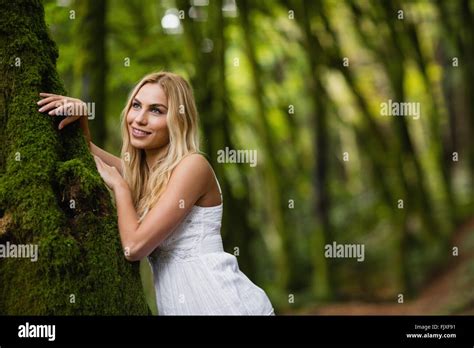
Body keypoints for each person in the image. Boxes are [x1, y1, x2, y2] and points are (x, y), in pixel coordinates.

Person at [37, 71, 274, 315]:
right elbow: (86, 153)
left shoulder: (192, 166)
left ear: (178, 120)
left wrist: (120, 187)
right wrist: (81, 115)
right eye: (136, 105)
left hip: (222, 304)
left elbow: (134, 247)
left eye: (156, 110)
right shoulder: (142, 174)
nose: (139, 119)